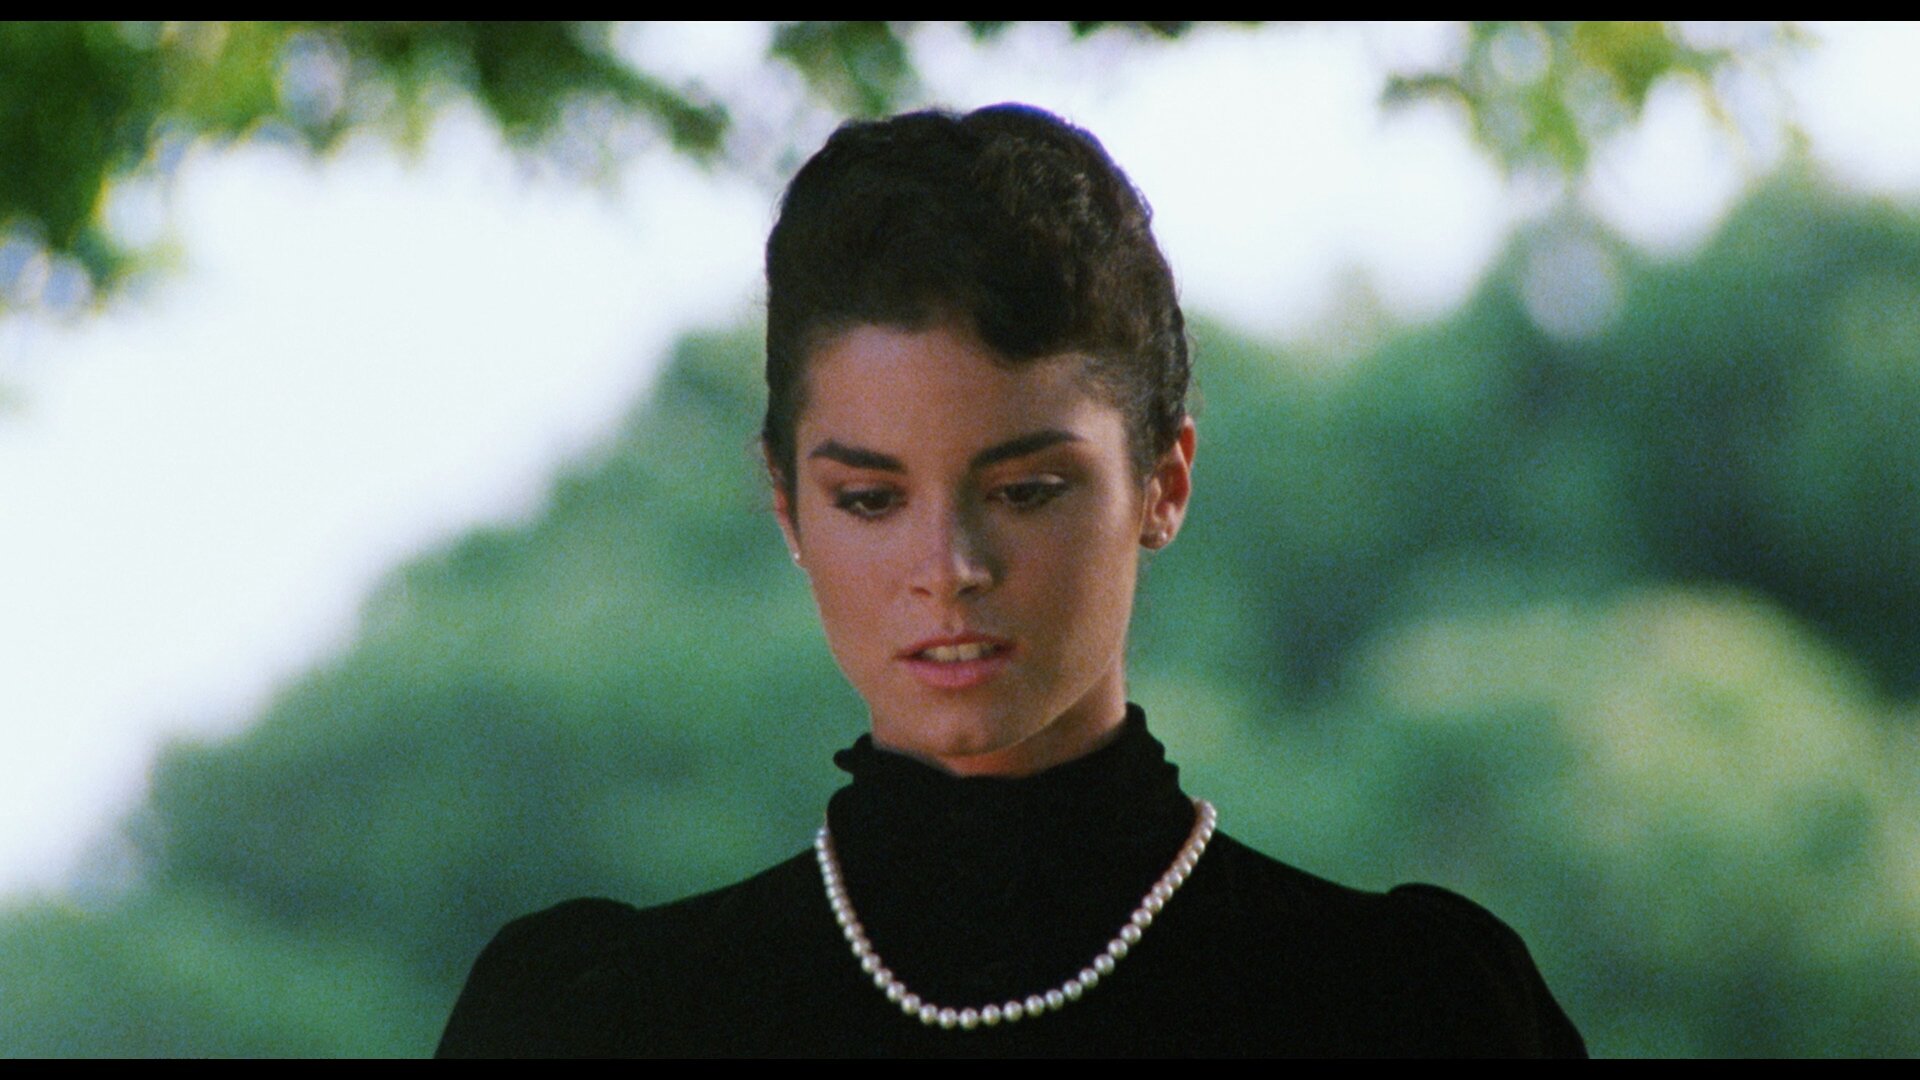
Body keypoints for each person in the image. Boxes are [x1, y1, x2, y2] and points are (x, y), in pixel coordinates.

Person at [436, 103, 1588, 1058]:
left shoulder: (1418, 1013)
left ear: (1164, 483)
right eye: (870, 499)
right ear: (787, 505)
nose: (950, 571)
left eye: (1027, 489)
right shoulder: (591, 1023)